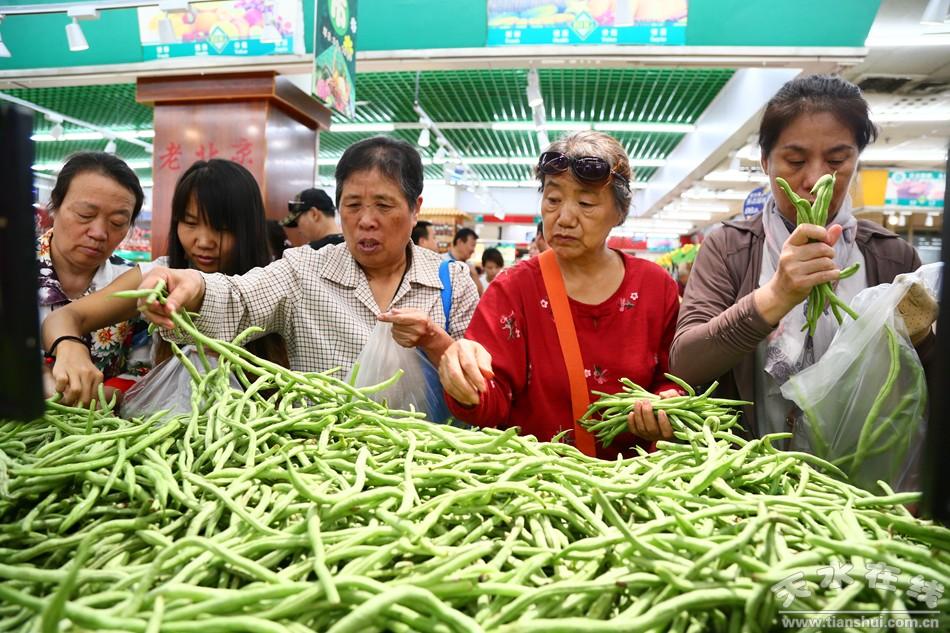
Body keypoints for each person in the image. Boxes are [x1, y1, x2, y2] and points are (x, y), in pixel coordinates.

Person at [671, 74, 935, 438]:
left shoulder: (893, 258)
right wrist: (774, 297)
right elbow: (686, 364)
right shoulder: (729, 248)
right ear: (765, 161)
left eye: (837, 160)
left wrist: (922, 339)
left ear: (856, 159)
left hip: (861, 482)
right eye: (795, 161)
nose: (815, 179)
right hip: (752, 479)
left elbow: (925, 386)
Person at [134, 137, 479, 382]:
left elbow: (480, 385)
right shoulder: (303, 270)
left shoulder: (453, 282)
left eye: (384, 206)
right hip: (317, 460)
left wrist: (435, 340)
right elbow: (239, 298)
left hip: (423, 460)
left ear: (415, 208)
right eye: (353, 204)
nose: (366, 220)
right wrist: (194, 285)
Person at [438, 131, 682, 458]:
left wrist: (667, 403)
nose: (564, 218)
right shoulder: (514, 289)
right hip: (537, 489)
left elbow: (675, 377)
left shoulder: (656, 288)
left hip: (631, 488)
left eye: (586, 203)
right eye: (553, 200)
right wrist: (465, 380)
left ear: (619, 213)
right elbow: (492, 404)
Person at [43, 159, 287, 406]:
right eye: (190, 223)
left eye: (221, 228)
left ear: (249, 228)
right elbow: (66, 316)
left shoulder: (274, 285)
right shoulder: (157, 277)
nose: (203, 241)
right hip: (165, 428)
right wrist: (70, 346)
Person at [36, 151, 146, 398]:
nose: (98, 232)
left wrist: (95, 398)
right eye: (85, 215)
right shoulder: (11, 269)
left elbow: (143, 371)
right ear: (55, 204)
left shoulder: (134, 283)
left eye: (117, 223)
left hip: (103, 429)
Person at [445, 227, 484, 295]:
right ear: (460, 242)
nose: (473, 250)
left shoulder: (469, 266)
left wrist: (474, 274)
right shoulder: (442, 261)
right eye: (472, 245)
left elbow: (480, 294)